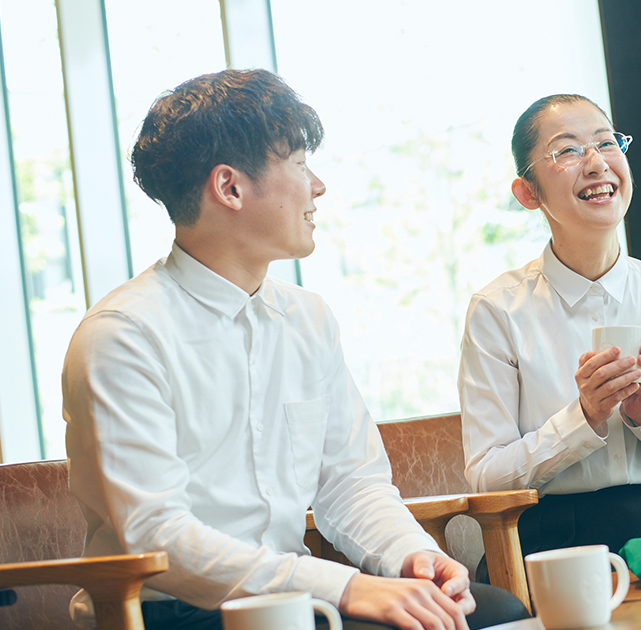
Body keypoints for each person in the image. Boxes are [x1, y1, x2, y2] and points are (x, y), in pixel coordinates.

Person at [62, 69, 528, 630]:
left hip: (292, 602)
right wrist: (349, 587)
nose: (319, 187)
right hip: (165, 611)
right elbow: (159, 537)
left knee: (496, 613)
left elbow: (351, 483)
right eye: (301, 165)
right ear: (230, 188)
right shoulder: (123, 334)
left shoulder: (307, 319)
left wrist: (409, 555)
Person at [458, 94, 641, 574]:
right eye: (567, 151)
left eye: (607, 143)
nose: (595, 163)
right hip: (553, 540)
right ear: (528, 193)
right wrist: (583, 418)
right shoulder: (496, 310)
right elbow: (487, 479)